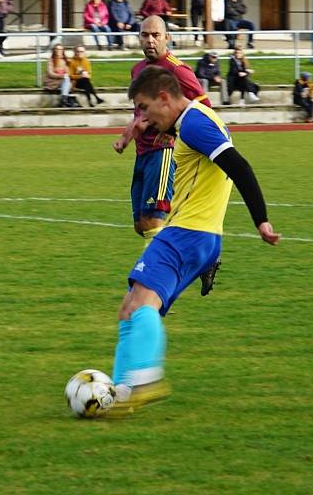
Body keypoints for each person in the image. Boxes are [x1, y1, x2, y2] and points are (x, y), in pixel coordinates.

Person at [107, 65, 280, 416]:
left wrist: (260, 220)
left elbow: (239, 166)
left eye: (144, 107)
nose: (142, 117)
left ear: (164, 98)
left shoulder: (196, 123)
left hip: (187, 233)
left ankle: (143, 381)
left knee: (140, 305)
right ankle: (119, 392)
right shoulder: (192, 122)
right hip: (194, 235)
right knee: (129, 308)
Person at [112, 15, 218, 295]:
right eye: (145, 35)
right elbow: (140, 113)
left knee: (153, 221)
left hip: (164, 152)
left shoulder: (178, 71)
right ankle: (203, 256)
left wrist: (174, 132)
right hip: (142, 153)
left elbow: (205, 108)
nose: (150, 40)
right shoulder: (138, 70)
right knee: (140, 224)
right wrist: (126, 137)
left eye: (155, 35)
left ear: (166, 38)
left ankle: (153, 285)